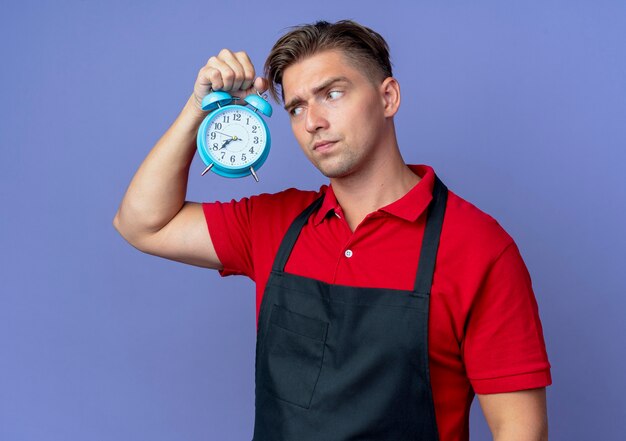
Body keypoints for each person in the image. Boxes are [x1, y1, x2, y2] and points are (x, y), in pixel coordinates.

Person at [113, 19, 551, 441]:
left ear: (388, 98)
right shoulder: (273, 223)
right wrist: (197, 108)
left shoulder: (478, 247)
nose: (312, 122)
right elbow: (142, 223)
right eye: (297, 107)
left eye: (332, 93)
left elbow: (520, 429)